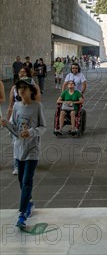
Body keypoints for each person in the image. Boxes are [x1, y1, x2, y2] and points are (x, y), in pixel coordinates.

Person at [0, 77, 46, 229]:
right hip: (18, 149)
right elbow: (14, 128)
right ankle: (29, 203)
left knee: (27, 180)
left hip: (32, 150)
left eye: (24, 88)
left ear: (31, 90)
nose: (21, 90)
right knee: (21, 180)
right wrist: (6, 124)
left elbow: (43, 127)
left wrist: (32, 132)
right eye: (19, 88)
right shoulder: (17, 107)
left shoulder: (37, 106)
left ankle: (22, 215)